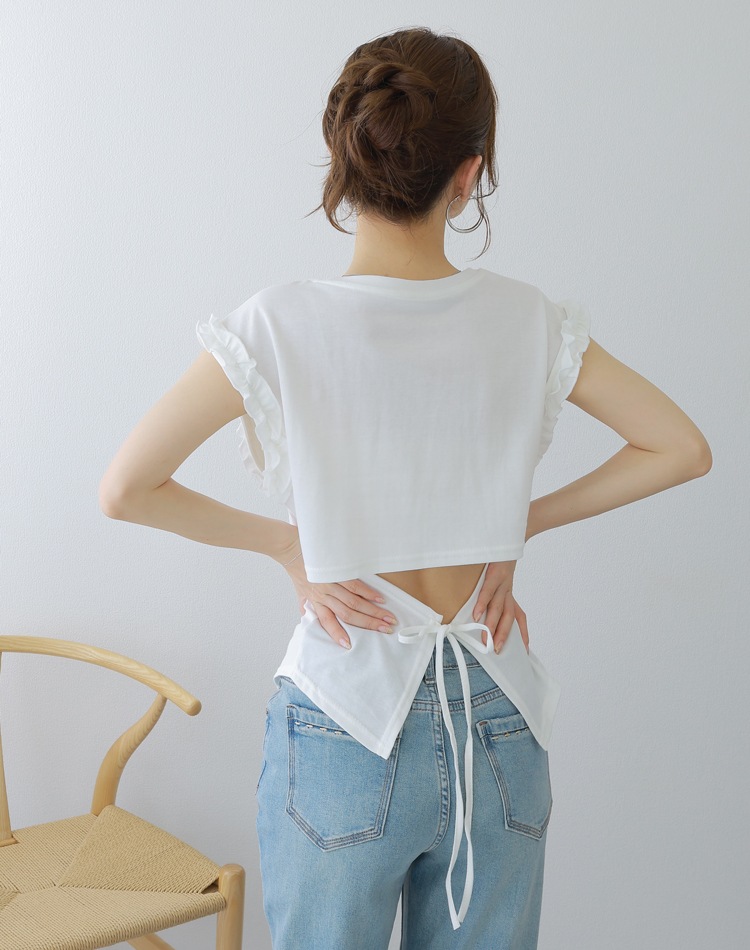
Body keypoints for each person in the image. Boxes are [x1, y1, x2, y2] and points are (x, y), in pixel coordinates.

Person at [99, 26, 712, 950]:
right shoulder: (525, 319)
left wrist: (289, 546)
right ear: (469, 176)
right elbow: (680, 447)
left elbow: (127, 488)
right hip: (496, 713)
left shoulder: (277, 325)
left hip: (345, 715)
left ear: (346, 161)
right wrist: (516, 527)